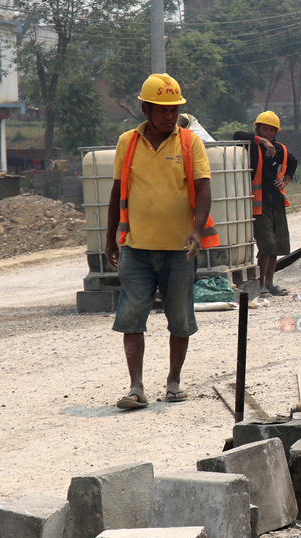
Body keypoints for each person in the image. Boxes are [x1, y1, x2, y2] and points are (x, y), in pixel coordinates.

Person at [106, 73, 219, 409]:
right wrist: (111, 239)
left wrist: (197, 231)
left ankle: (173, 382)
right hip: (136, 248)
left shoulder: (189, 142)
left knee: (180, 318)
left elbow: (203, 189)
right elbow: (116, 192)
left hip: (179, 251)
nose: (170, 116)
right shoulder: (127, 142)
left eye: (174, 110)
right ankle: (136, 388)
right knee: (131, 317)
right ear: (146, 109)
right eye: (163, 110)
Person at [233, 111, 298, 297]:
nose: (268, 133)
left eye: (271, 130)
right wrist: (262, 141)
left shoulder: (280, 150)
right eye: (264, 129)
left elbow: (293, 162)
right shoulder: (253, 147)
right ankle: (260, 284)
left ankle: (269, 283)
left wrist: (285, 180)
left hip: (276, 202)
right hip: (259, 205)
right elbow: (237, 135)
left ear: (276, 132)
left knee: (276, 245)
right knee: (267, 244)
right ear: (257, 129)